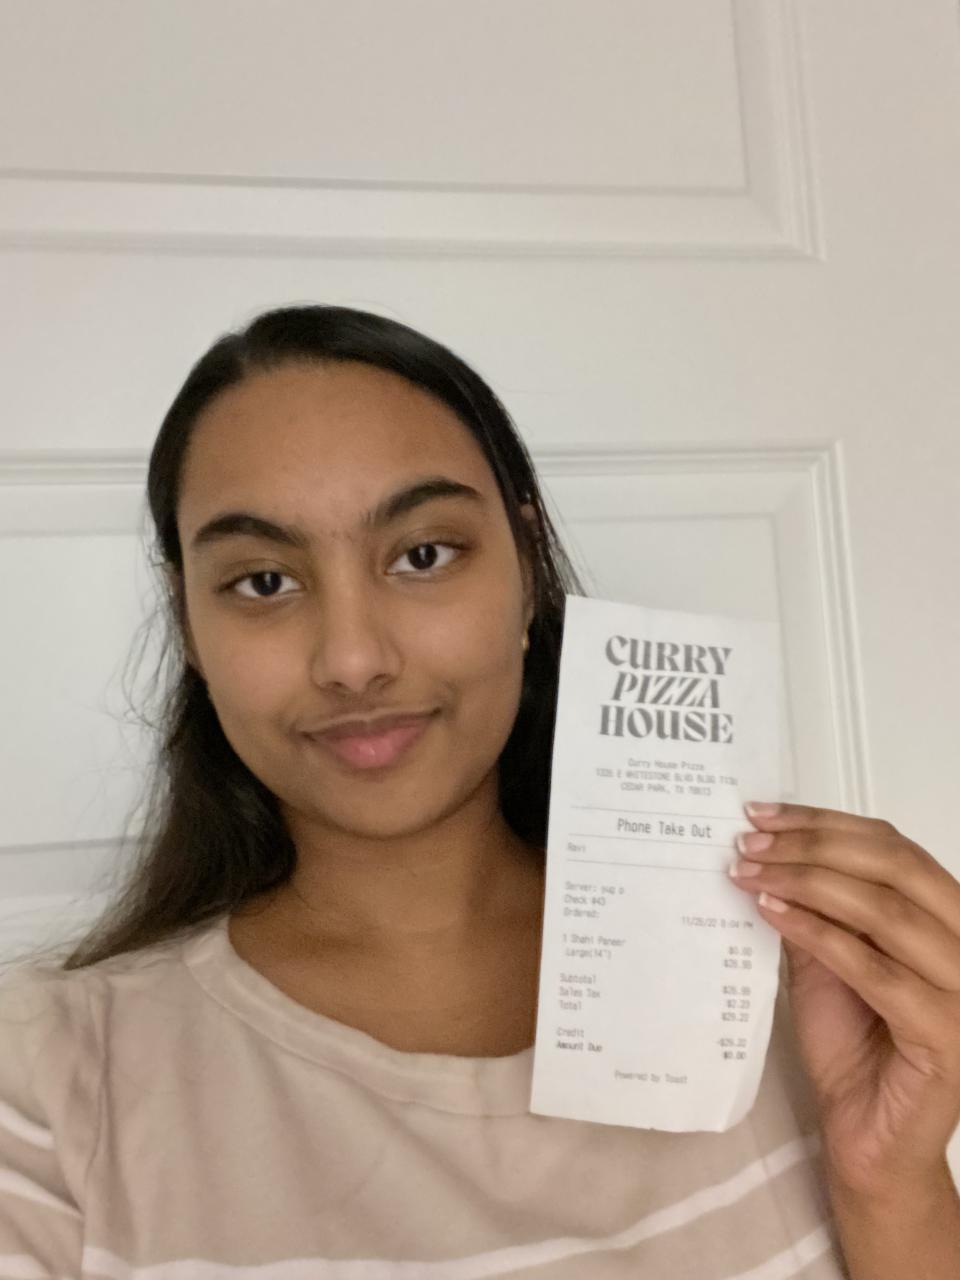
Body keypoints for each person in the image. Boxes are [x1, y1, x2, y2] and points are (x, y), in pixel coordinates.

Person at [1, 306, 958, 1278]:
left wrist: (894, 1183)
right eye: (262, 581)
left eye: (422, 554)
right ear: (188, 623)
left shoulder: (791, 994)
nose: (353, 658)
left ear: (526, 567)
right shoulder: (48, 1084)